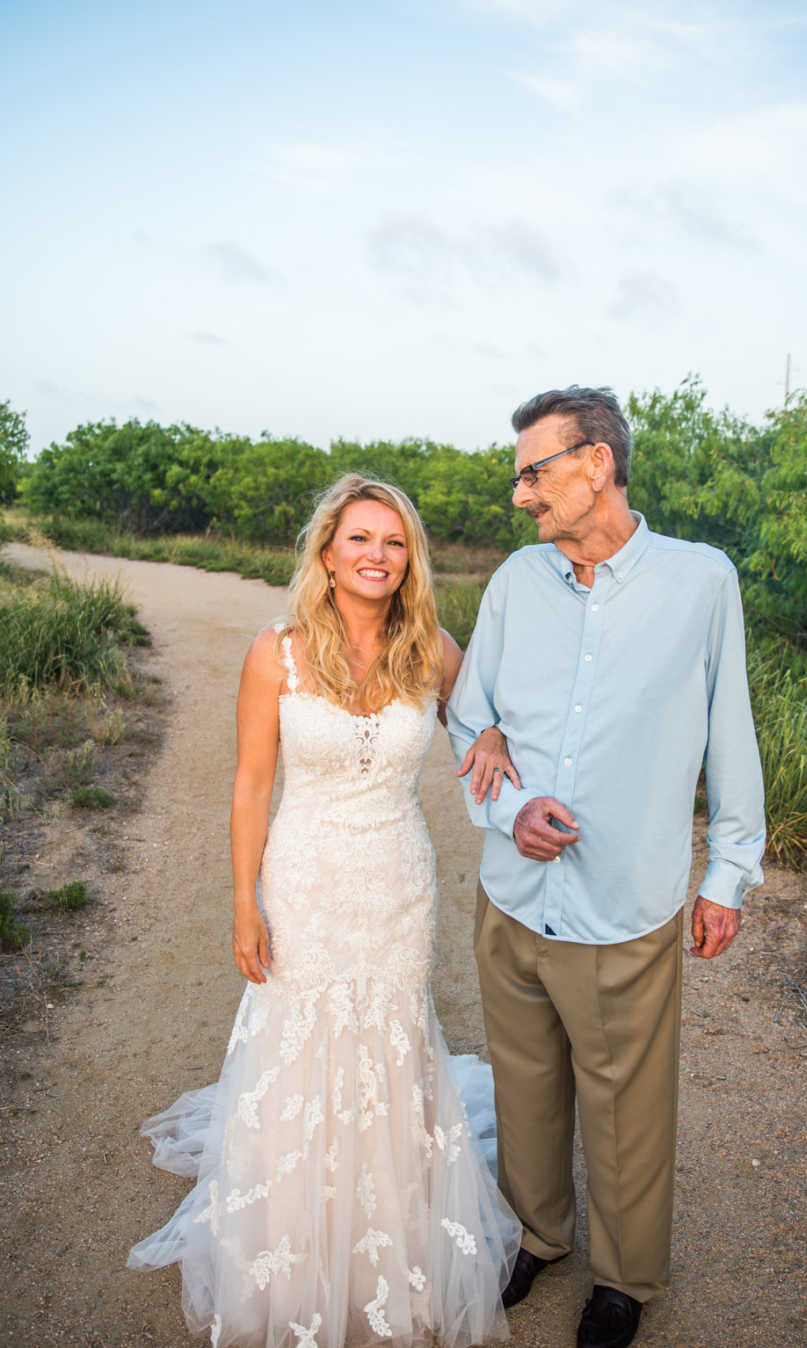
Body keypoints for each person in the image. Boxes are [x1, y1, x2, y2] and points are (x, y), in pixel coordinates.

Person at [128, 475, 523, 1348]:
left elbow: (489, 714)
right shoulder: (277, 652)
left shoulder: (432, 647)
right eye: (360, 539)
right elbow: (252, 783)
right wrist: (244, 902)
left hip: (395, 879)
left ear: (409, 557)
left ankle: (392, 1222)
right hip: (305, 877)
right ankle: (292, 1232)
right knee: (301, 1034)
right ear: (326, 552)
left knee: (391, 1033)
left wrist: (488, 732)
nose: (378, 555)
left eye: (394, 541)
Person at [447, 387, 765, 1348]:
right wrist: (508, 806)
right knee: (524, 1080)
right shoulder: (514, 582)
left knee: (627, 1107)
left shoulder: (701, 580)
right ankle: (538, 1235)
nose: (519, 496)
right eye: (518, 476)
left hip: (623, 905)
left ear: (597, 462)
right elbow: (470, 715)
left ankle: (624, 1280)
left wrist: (726, 875)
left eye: (532, 471)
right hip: (512, 896)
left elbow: (729, 734)